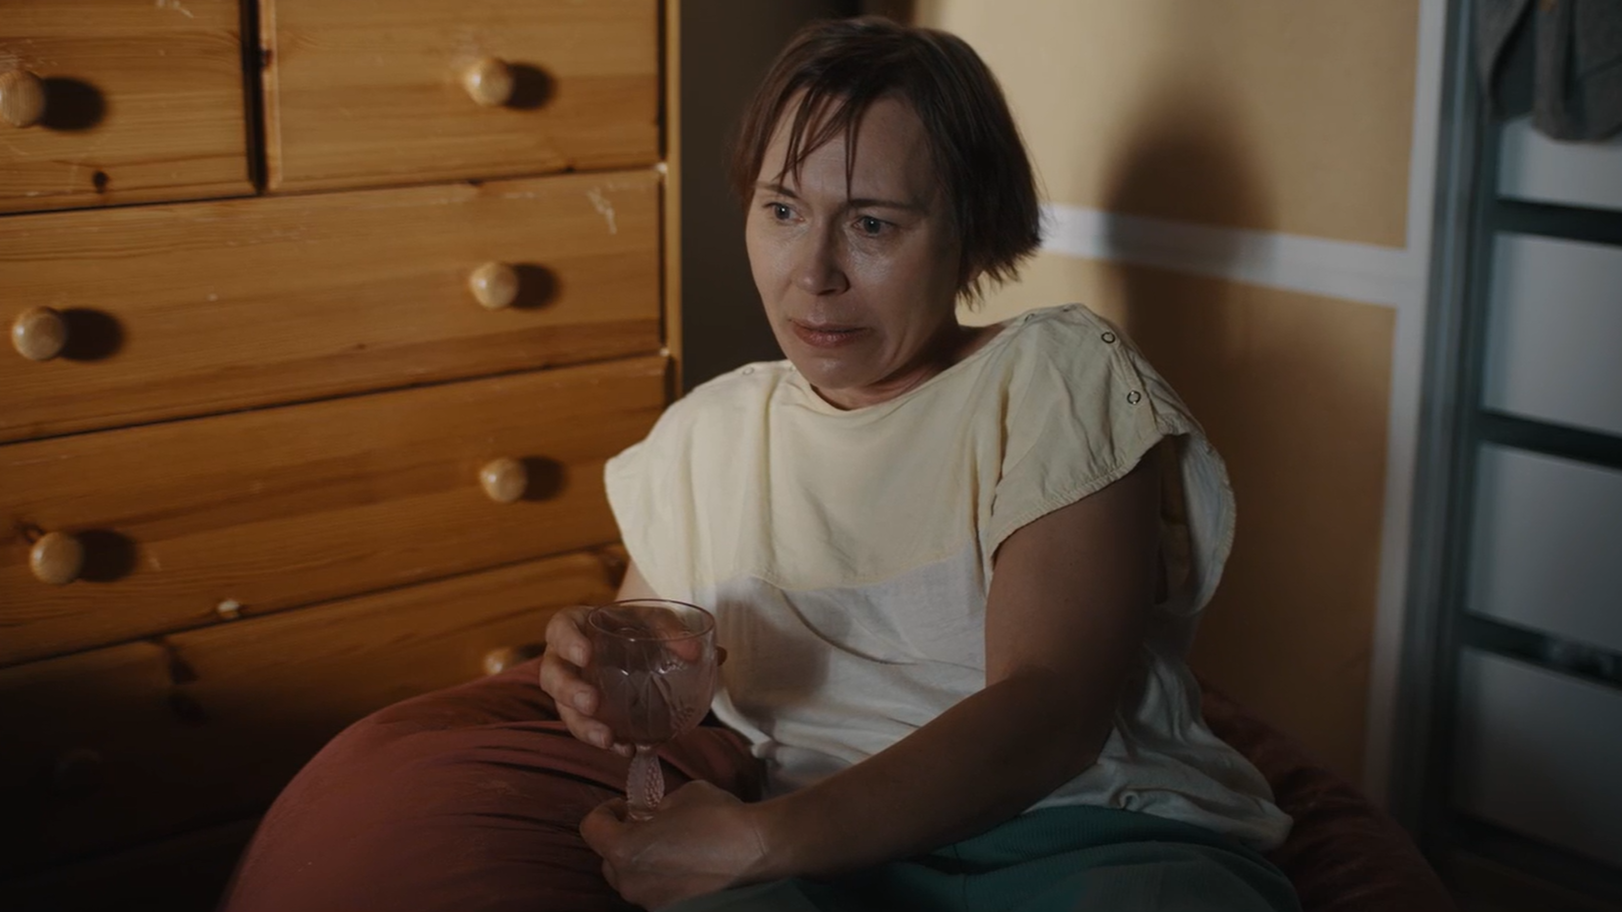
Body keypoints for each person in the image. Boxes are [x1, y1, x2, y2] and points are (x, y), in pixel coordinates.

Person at [220, 16, 1299, 912]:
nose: (812, 273)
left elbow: (1049, 712)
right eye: (783, 211)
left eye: (871, 224)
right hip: (821, 864)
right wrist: (587, 671)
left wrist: (757, 843)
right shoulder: (712, 434)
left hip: (1086, 837)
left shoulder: (1053, 376)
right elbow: (648, 665)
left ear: (972, 234)